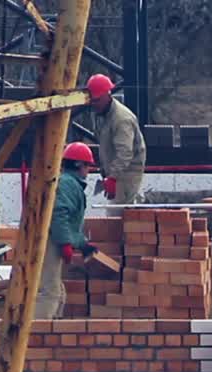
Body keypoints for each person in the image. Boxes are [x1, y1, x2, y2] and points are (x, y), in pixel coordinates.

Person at [36, 142, 96, 319]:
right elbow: (59, 215)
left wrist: (82, 244)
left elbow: (71, 223)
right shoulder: (68, 184)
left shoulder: (70, 183)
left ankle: (54, 329)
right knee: (51, 292)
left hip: (55, 238)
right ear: (78, 165)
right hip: (53, 240)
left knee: (59, 292)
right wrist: (65, 243)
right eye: (87, 165)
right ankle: (37, 331)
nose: (89, 170)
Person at [86, 74, 146, 205]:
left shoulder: (121, 120)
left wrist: (112, 177)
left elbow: (125, 153)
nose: (93, 104)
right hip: (117, 172)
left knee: (119, 213)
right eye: (92, 100)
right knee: (116, 214)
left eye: (96, 100)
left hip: (126, 174)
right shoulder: (102, 115)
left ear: (107, 95)